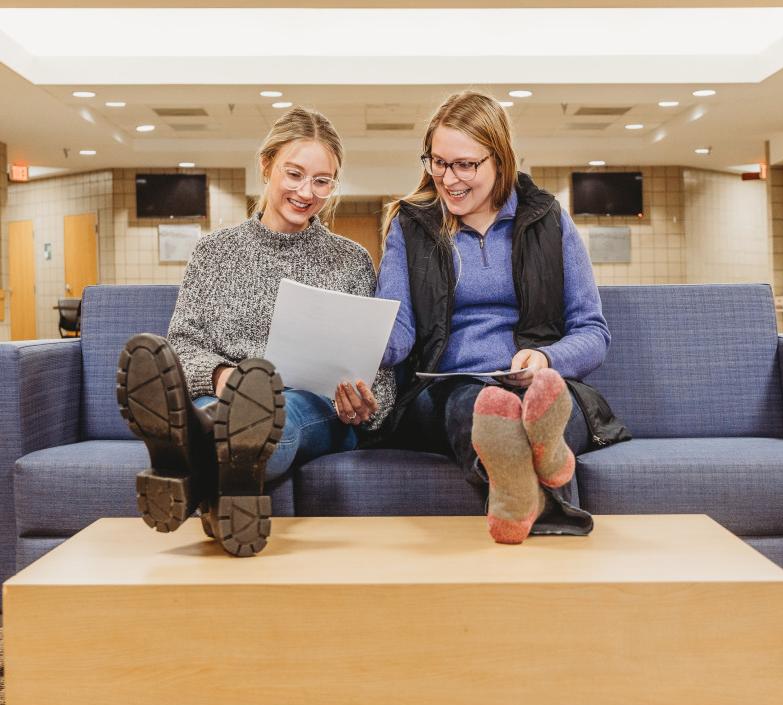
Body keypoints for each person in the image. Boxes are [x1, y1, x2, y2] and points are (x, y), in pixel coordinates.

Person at [117, 106, 394, 556]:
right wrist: (226, 377)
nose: (307, 192)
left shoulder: (352, 261)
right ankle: (225, 473)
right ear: (266, 166)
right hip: (225, 399)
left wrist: (366, 402)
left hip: (319, 409)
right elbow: (183, 345)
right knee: (229, 415)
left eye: (322, 181)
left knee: (271, 415)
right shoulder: (213, 253)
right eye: (295, 174)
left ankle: (183, 454)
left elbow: (380, 370)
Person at [376, 90, 611, 544]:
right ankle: (542, 472)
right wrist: (354, 346)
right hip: (448, 385)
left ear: (499, 160)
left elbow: (592, 331)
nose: (449, 178)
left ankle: (521, 488)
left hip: (540, 380)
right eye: (438, 162)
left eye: (466, 164)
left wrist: (546, 359)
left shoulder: (549, 220)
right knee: (478, 407)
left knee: (548, 402)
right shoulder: (411, 226)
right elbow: (399, 331)